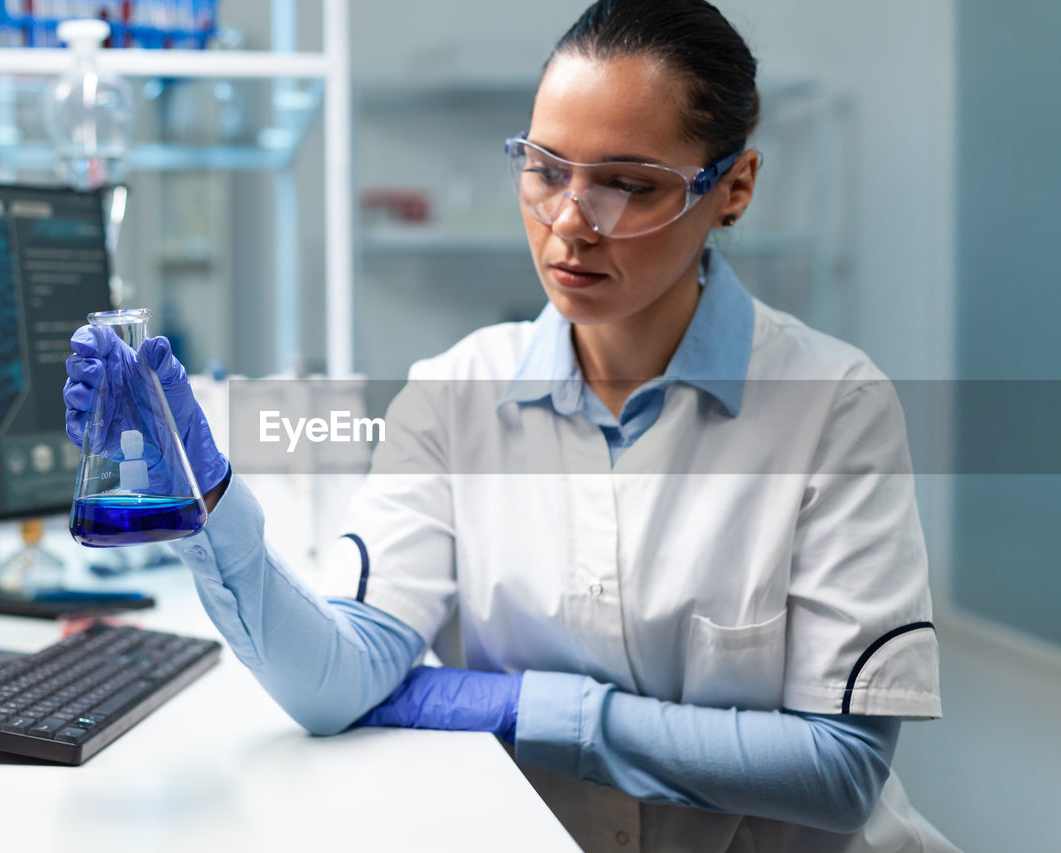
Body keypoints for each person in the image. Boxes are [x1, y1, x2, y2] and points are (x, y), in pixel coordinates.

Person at [65, 2, 959, 850]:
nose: (572, 221)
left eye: (625, 184)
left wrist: (532, 709)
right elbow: (336, 682)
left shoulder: (836, 405)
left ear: (734, 188)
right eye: (546, 168)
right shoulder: (453, 394)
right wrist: (204, 497)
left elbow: (839, 768)